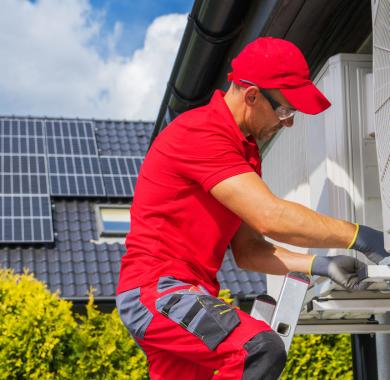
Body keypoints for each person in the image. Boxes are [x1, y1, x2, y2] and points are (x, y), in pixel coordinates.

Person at [116, 37, 389, 380]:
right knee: (257, 348)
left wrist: (321, 264)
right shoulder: (202, 133)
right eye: (285, 110)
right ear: (252, 95)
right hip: (159, 291)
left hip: (184, 293)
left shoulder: (243, 151)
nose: (288, 123)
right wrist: (360, 236)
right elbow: (270, 216)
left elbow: (248, 251)